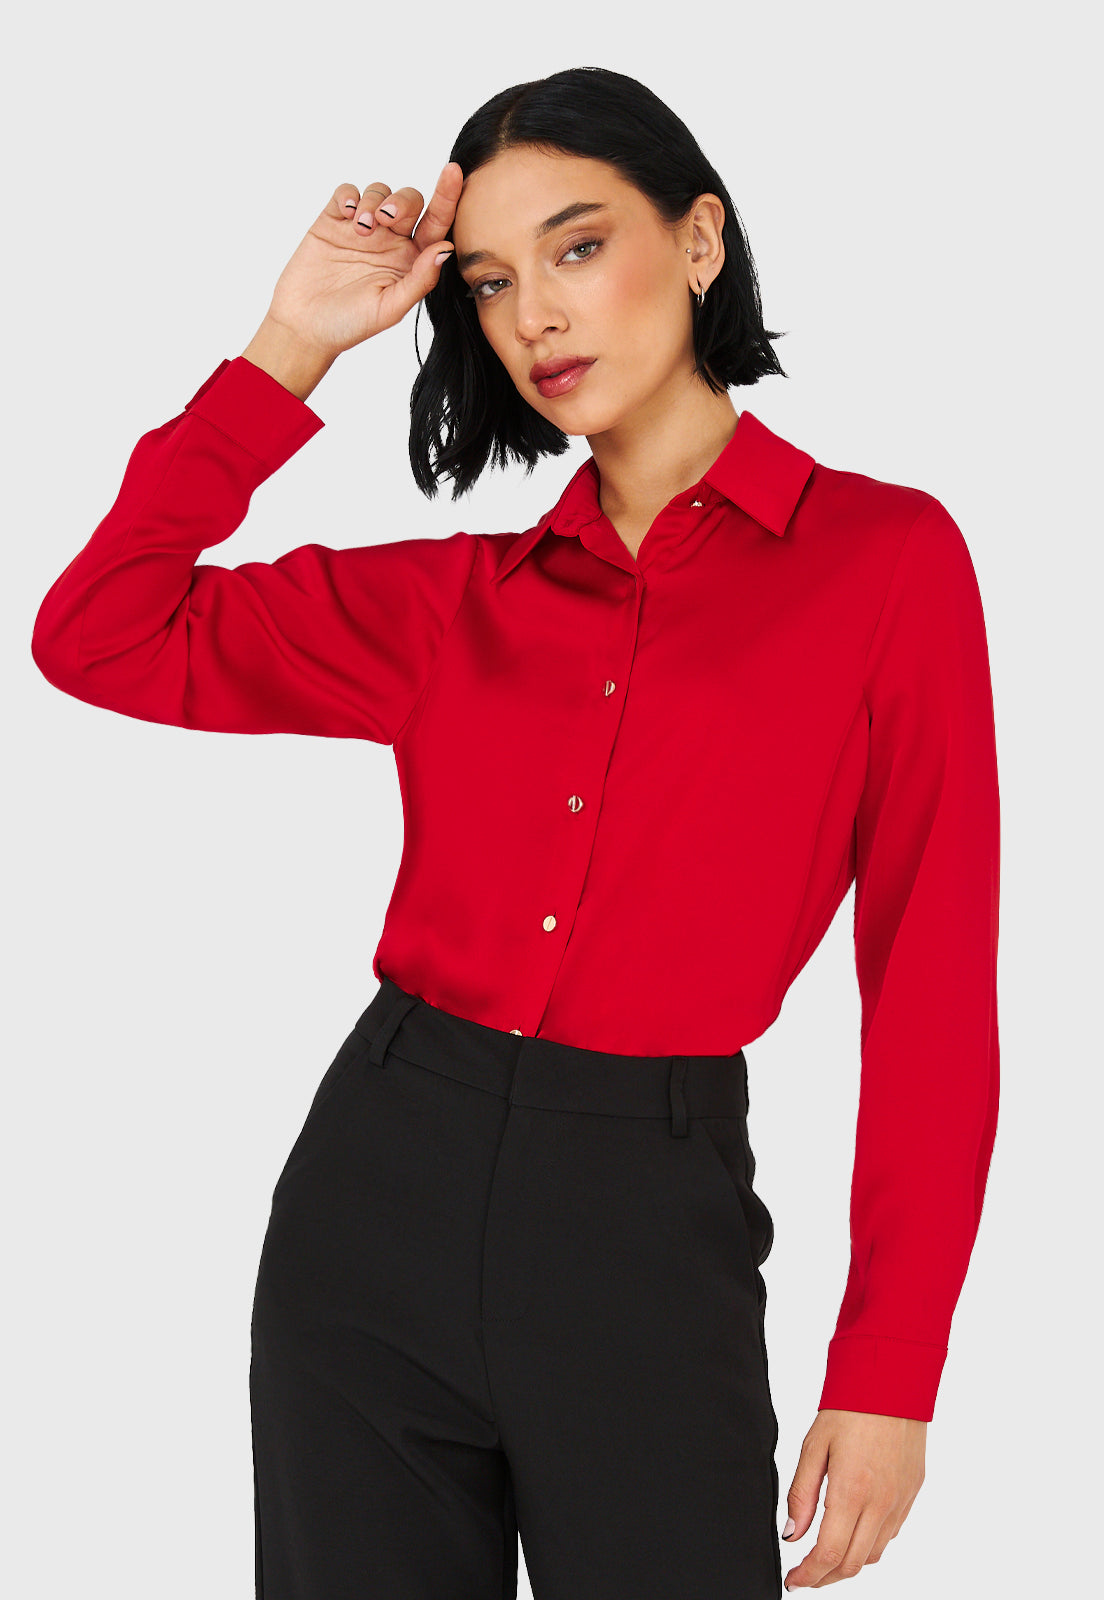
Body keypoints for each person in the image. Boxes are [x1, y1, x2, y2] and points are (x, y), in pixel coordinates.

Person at [30, 65, 1000, 1600]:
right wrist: (292, 345)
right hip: (378, 1189)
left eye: (579, 247)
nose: (535, 314)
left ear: (698, 240)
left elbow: (934, 982)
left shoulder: (887, 562)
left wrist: (892, 1367)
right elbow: (98, 633)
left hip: (649, 1217)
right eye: (489, 282)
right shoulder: (451, 606)